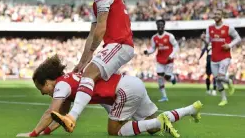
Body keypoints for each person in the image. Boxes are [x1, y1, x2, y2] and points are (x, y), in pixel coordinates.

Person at [16, 55, 203, 137]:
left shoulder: (61, 85)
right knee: (151, 130)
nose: (43, 92)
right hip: (132, 83)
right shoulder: (68, 82)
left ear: (48, 81)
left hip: (123, 91)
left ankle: (159, 121)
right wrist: (46, 131)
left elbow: (51, 112)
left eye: (42, 88)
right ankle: (190, 110)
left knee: (115, 131)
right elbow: (60, 116)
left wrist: (33, 134)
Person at [58, 0, 135, 132]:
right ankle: (143, 121)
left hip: (119, 44)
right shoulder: (97, 2)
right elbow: (91, 35)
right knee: (97, 85)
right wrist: (82, 62)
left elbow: (100, 29)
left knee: (89, 74)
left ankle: (71, 117)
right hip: (116, 45)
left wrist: (90, 60)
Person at [201, 9, 241, 106]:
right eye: (215, 14)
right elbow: (208, 43)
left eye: (218, 14)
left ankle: (229, 81)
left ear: (222, 15)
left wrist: (230, 45)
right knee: (217, 79)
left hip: (225, 56)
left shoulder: (228, 27)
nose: (216, 15)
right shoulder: (209, 28)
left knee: (220, 77)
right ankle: (224, 98)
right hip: (214, 58)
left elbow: (238, 38)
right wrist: (203, 39)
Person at [144, 19, 179, 102]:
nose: (160, 26)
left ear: (164, 26)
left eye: (161, 25)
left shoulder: (169, 36)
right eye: (158, 25)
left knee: (167, 77)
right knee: (160, 77)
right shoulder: (154, 38)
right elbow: (153, 48)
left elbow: (176, 46)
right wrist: (148, 52)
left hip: (169, 60)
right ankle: (164, 97)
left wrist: (171, 55)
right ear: (157, 26)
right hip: (160, 60)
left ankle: (173, 78)